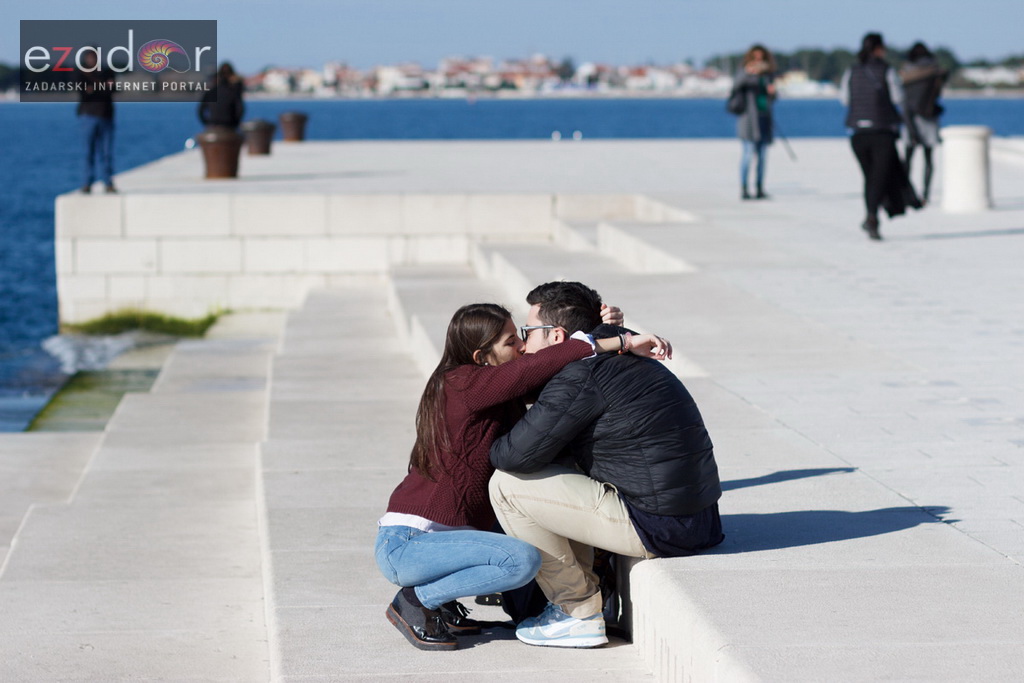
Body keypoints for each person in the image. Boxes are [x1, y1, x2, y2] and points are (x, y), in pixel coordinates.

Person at [375, 301, 671, 651]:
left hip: (441, 543)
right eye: (510, 341)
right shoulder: (460, 383)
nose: (521, 346)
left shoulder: (496, 392)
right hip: (410, 543)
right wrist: (616, 343)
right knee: (521, 560)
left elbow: (559, 373)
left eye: (519, 336)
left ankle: (440, 602)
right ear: (481, 356)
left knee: (530, 571)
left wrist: (604, 328)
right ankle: (418, 600)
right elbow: (539, 364)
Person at [488, 282, 724, 649]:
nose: (522, 346)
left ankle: (577, 611)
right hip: (698, 519)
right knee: (557, 459)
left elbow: (512, 456)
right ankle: (591, 594)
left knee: (506, 485)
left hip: (663, 527)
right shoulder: (620, 346)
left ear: (556, 336)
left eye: (527, 333)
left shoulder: (580, 376)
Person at [840, 33, 921, 240]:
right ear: (879, 49)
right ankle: (872, 217)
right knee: (878, 177)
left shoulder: (852, 71)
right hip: (882, 132)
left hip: (857, 133)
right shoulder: (887, 70)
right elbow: (898, 97)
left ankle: (872, 216)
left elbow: (844, 99)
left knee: (870, 178)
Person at [900, 42, 948, 205]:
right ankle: (926, 194)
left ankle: (905, 193)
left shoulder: (906, 71)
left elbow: (903, 100)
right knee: (928, 159)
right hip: (929, 118)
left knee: (908, 159)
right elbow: (938, 92)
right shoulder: (936, 70)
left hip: (910, 117)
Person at [730, 44, 777, 200]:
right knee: (748, 154)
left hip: (764, 118)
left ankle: (759, 188)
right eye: (755, 57)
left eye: (761, 57)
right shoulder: (744, 72)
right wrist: (747, 73)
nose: (758, 60)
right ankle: (744, 188)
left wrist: (773, 92)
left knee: (762, 157)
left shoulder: (768, 75)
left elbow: (773, 97)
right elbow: (735, 87)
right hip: (748, 121)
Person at [77, 50, 116, 194]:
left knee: (106, 152)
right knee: (88, 152)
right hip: (88, 117)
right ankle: (87, 183)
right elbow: (84, 93)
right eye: (89, 57)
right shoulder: (81, 74)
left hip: (106, 116)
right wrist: (103, 87)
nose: (92, 60)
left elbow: (112, 89)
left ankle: (108, 182)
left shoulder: (107, 72)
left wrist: (95, 90)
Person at [198, 62, 245, 129]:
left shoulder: (210, 92)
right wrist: (235, 124)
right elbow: (240, 110)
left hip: (212, 125)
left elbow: (201, 111)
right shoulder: (233, 92)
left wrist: (208, 123)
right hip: (229, 126)